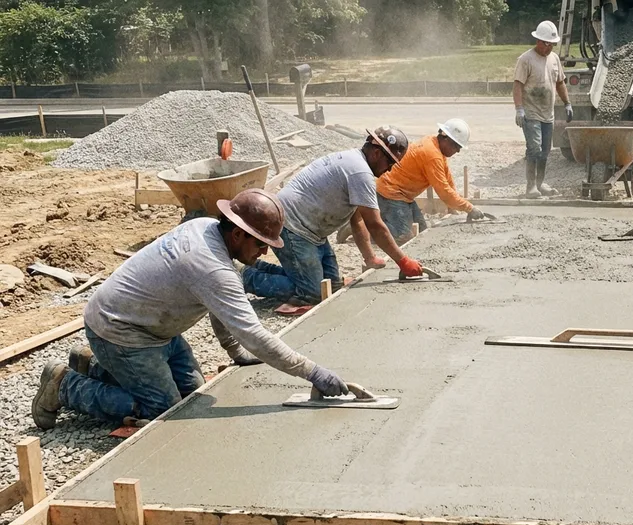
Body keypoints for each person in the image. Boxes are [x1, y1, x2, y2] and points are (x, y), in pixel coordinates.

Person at [31, 189, 362, 430]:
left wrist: (234, 350)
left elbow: (217, 300)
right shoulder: (211, 267)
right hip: (121, 332)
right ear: (237, 233)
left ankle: (92, 365)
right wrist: (313, 373)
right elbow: (254, 333)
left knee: (194, 392)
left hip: (152, 326)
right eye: (260, 243)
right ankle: (63, 384)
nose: (264, 251)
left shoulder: (206, 227)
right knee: (165, 410)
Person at [242, 126, 424, 305]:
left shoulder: (354, 162)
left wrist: (369, 256)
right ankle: (243, 278)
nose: (390, 169)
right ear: (377, 153)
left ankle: (256, 268)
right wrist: (403, 261)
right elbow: (375, 225)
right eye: (390, 163)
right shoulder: (360, 172)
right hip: (291, 226)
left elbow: (357, 218)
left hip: (311, 229)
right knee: (313, 293)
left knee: (331, 285)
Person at [356, 119, 485, 247]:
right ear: (447, 140)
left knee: (423, 231)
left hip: (404, 195)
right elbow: (443, 191)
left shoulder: (435, 145)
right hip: (390, 192)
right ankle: (362, 228)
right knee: (403, 237)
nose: (458, 151)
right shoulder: (432, 154)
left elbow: (447, 178)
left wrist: (453, 207)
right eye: (457, 146)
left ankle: (381, 222)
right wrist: (469, 208)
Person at [513, 20, 573, 199]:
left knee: (545, 150)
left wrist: (567, 103)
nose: (550, 48)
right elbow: (517, 86)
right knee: (534, 148)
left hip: (548, 114)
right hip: (531, 113)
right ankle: (530, 186)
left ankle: (540, 183)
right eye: (548, 44)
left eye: (553, 45)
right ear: (539, 41)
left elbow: (560, 82)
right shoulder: (526, 59)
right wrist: (519, 109)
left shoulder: (554, 59)